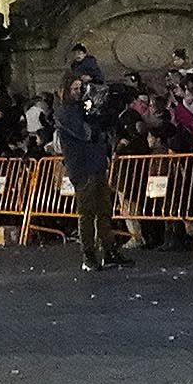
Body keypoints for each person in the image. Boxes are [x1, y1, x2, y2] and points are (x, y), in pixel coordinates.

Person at [57, 74, 117, 271]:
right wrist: (96, 123)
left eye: (80, 89)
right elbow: (85, 133)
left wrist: (96, 110)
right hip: (81, 166)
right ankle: (88, 254)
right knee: (87, 213)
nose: (78, 93)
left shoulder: (83, 107)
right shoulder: (65, 112)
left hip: (96, 162)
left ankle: (108, 251)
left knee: (104, 210)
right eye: (74, 89)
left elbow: (97, 123)